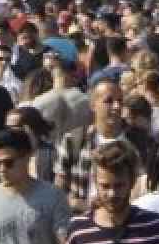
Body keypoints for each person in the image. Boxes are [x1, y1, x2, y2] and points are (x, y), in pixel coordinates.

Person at [56, 79, 149, 214]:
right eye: (109, 101)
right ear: (93, 105)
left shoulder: (138, 141)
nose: (117, 106)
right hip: (86, 223)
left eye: (120, 101)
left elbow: (146, 185)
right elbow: (59, 190)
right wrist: (82, 204)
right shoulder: (74, 140)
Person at [28, 54, 92, 149]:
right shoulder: (85, 101)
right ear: (73, 74)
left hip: (47, 154)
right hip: (77, 152)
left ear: (53, 74)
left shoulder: (39, 101)